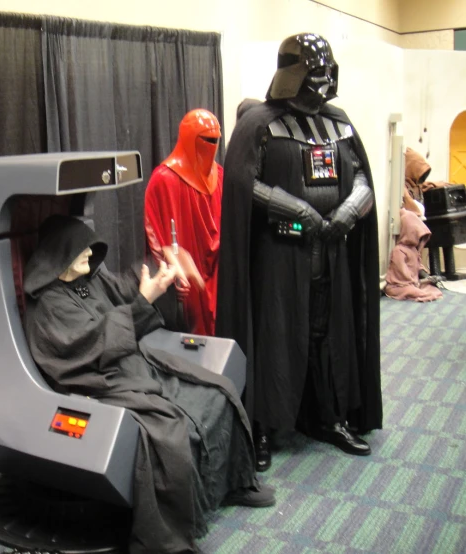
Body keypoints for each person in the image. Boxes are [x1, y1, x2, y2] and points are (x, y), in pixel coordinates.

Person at [23, 215, 274, 554]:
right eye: (81, 249)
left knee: (217, 390)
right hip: (102, 381)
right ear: (58, 255)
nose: (89, 254)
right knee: (168, 432)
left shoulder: (86, 281)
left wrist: (155, 278)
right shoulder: (49, 306)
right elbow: (93, 343)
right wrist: (142, 301)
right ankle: (167, 541)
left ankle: (234, 481)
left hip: (133, 363)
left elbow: (123, 290)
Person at [217, 33, 382, 473]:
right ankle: (263, 427)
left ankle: (330, 416)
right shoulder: (259, 124)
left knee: (329, 334)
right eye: (312, 76)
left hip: (331, 252)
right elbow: (239, 184)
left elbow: (362, 175)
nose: (321, 86)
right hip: (280, 256)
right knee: (276, 337)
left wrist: (351, 208)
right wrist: (293, 207)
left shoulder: (340, 122)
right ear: (292, 76)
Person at [144, 109, 222, 335]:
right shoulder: (163, 180)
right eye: (207, 139)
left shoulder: (220, 176)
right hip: (183, 287)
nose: (213, 145)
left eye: (216, 140)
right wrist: (169, 273)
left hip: (218, 280)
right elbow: (155, 236)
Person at [384, 208, 443, 302]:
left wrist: (427, 277)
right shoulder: (399, 251)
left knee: (430, 288)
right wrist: (419, 282)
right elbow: (401, 275)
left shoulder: (413, 250)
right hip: (399, 285)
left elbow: (418, 266)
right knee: (416, 291)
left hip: (413, 283)